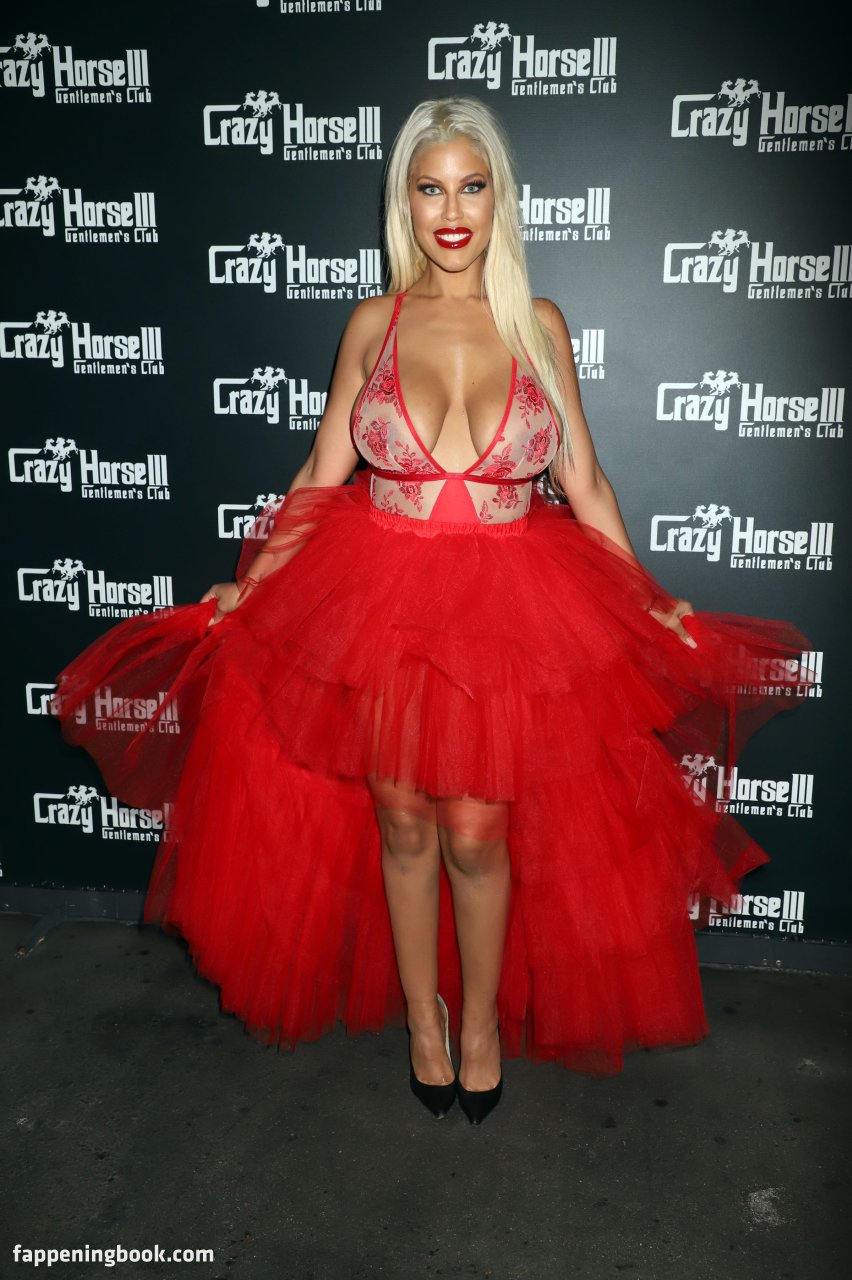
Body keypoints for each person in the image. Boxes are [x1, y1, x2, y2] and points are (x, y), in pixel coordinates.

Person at [53, 97, 811, 1126]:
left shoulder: (539, 325)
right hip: (381, 601)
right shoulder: (374, 323)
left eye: (471, 186)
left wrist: (646, 591)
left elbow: (584, 483)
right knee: (403, 822)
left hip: (511, 609)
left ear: (500, 197)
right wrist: (256, 580)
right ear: (403, 203)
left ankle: (480, 1023)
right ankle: (423, 1018)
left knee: (478, 831)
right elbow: (323, 470)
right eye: (428, 188)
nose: (451, 212)